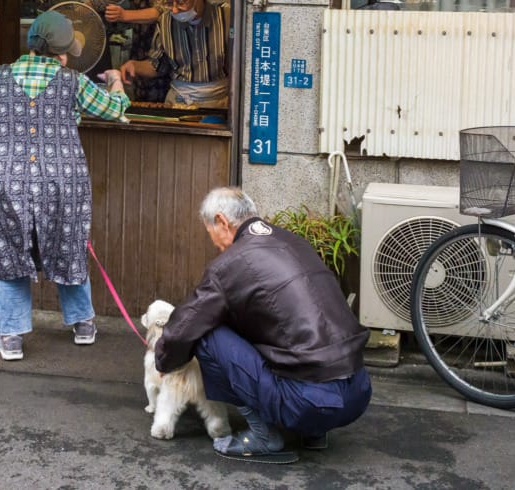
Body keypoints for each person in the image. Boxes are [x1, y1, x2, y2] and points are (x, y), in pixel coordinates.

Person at [155, 187, 371, 464]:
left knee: (207, 333)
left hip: (309, 403)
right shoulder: (294, 242)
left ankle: (263, 436)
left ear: (221, 221)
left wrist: (165, 361)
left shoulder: (229, 264)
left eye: (212, 236)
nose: (216, 246)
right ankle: (314, 433)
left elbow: (186, 325)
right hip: (358, 393)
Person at [0, 9, 130, 361]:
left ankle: (10, 337)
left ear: (30, 46)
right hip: (62, 179)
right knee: (69, 242)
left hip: (5, 179)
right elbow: (116, 109)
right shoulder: (73, 81)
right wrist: (116, 79)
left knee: (11, 250)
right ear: (61, 52)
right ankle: (83, 324)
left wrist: (5, 151)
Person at [119, 0, 230, 109]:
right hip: (178, 101)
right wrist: (133, 65)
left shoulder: (226, 16)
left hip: (219, 101)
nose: (175, 9)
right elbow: (157, 66)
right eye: (169, 2)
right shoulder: (166, 21)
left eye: (181, 1)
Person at [87, 0, 170, 102]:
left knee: (164, 101)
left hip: (166, 46)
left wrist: (124, 15)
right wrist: (75, 13)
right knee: (142, 100)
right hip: (140, 47)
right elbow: (99, 0)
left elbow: (159, 12)